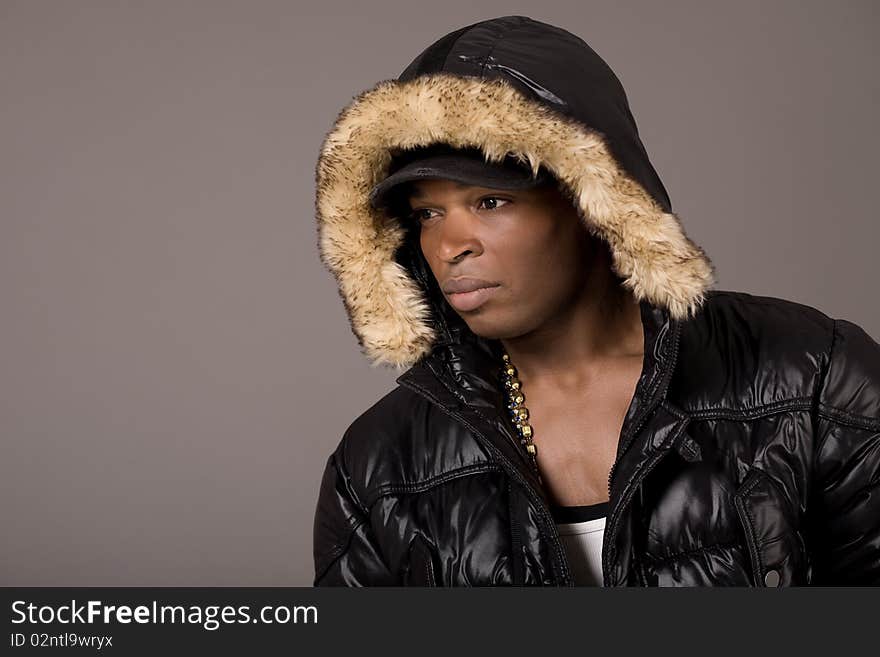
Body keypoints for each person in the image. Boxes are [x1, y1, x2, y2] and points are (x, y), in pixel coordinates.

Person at [312, 15, 880, 586]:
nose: (449, 246)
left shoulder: (816, 379)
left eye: (489, 201)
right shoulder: (378, 465)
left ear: (595, 200)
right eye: (426, 213)